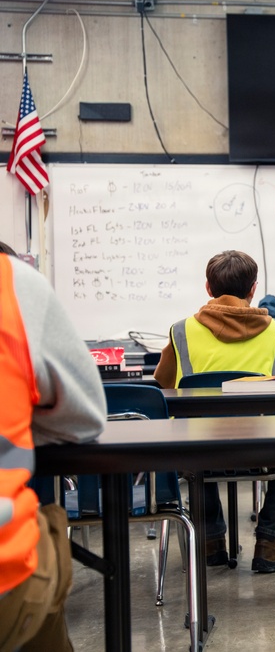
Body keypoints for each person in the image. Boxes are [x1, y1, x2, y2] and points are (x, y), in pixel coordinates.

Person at [153, 250, 275, 572]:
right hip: (265, 447)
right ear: (253, 289)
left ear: (208, 287)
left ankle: (209, 541)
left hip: (202, 448)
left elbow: (161, 384)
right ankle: (271, 543)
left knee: (195, 459)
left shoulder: (180, 333)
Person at [0, 249, 105, 651]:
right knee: (47, 521)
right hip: (6, 585)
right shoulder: (15, 284)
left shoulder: (181, 332)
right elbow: (86, 420)